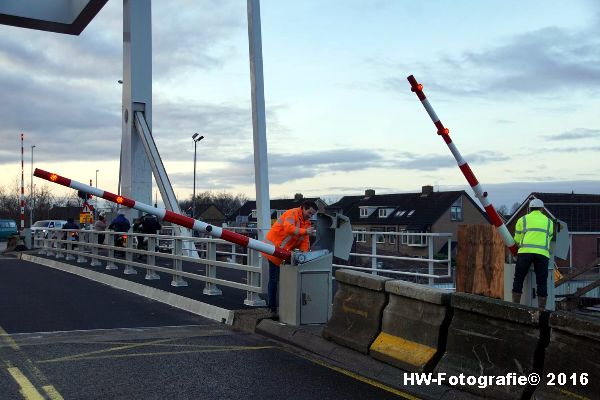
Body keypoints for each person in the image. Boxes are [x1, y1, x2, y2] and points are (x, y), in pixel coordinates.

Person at [262, 200, 318, 313]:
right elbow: (289, 228)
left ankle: (281, 308)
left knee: (281, 280)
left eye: (312, 214)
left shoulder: (307, 223)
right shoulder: (292, 213)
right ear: (303, 208)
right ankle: (272, 307)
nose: (310, 216)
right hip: (272, 249)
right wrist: (305, 231)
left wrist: (305, 255)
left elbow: (304, 242)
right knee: (274, 279)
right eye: (309, 213)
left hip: (283, 253)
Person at [511, 198, 554, 309]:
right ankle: (542, 309)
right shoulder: (549, 222)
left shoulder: (523, 219)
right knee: (542, 281)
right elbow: (549, 237)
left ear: (529, 209)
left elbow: (516, 239)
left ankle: (515, 306)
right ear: (542, 209)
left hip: (525, 253)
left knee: (518, 278)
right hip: (542, 254)